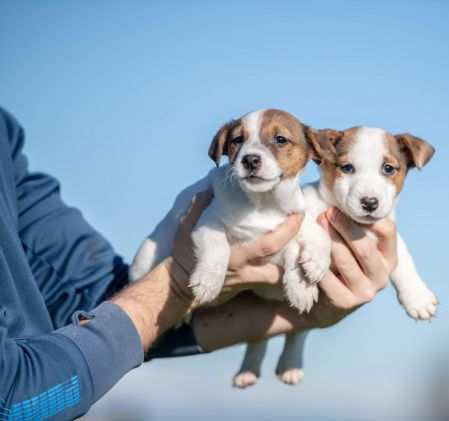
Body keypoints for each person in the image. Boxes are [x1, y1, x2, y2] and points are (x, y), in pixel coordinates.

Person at [0, 107, 398, 420]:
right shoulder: (222, 199)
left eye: (278, 141)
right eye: (240, 143)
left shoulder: (6, 139)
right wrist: (175, 284)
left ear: (313, 153)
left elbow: (101, 299)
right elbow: (10, 400)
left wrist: (302, 314)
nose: (254, 154)